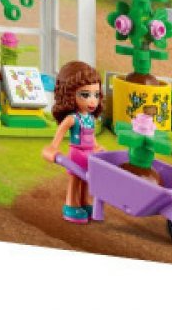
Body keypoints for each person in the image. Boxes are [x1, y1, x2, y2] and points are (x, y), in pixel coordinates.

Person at [42, 61, 104, 224]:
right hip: (76, 154)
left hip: (89, 154)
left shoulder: (90, 118)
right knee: (76, 179)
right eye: (85, 95)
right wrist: (53, 148)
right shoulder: (72, 119)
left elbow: (91, 137)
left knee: (87, 179)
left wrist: (96, 147)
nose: (92, 101)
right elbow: (59, 134)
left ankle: (84, 202)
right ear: (70, 95)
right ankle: (71, 205)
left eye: (96, 95)